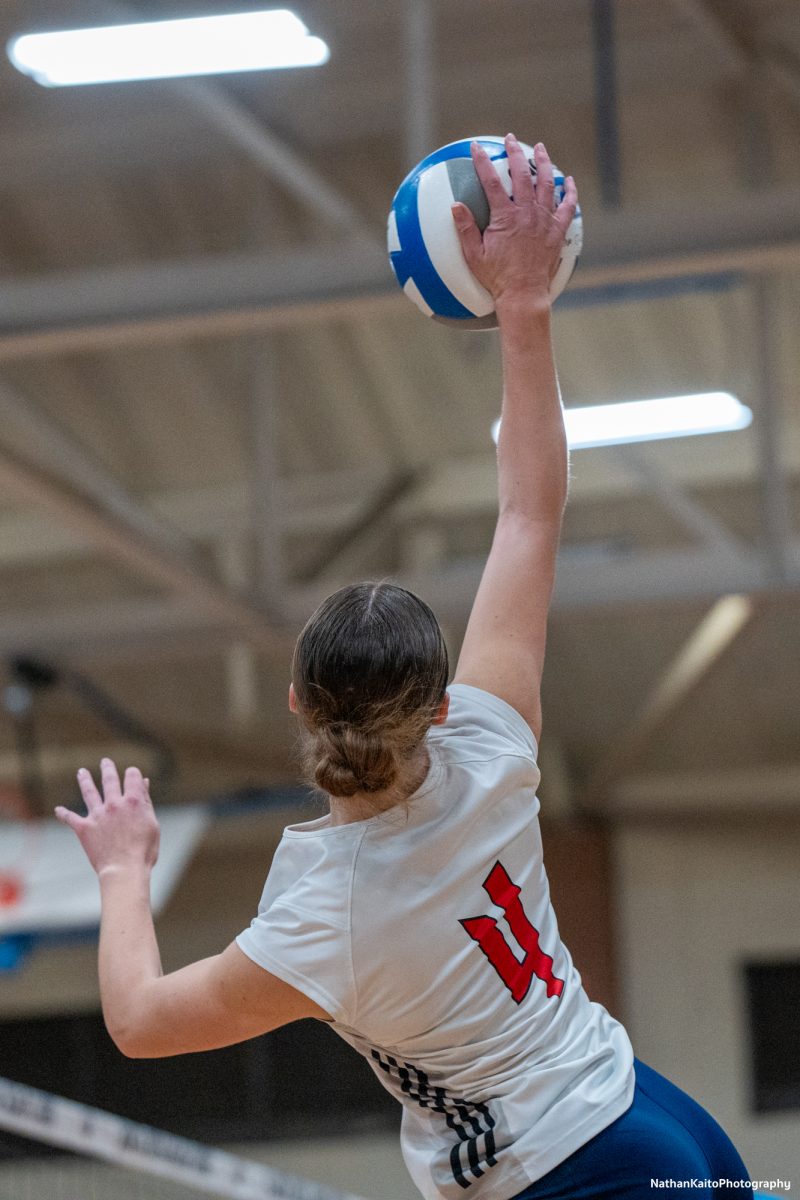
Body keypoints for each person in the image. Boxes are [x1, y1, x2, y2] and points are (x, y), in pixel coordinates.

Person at [56, 135, 751, 1200]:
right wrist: (523, 307)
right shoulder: (487, 741)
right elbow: (528, 511)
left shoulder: (320, 911)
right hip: (644, 1109)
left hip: (558, 1171)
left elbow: (141, 1024)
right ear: (435, 708)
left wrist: (119, 873)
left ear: (295, 703)